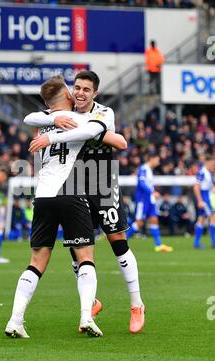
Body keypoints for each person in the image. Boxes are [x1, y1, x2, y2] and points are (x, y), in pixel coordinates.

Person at [25, 70, 145, 334]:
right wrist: (59, 118)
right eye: (77, 88)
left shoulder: (104, 113)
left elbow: (120, 141)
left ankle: (137, 304)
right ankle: (92, 302)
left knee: (118, 242)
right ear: (71, 91)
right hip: (74, 184)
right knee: (77, 249)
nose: (80, 93)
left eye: (85, 90)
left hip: (102, 181)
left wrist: (64, 132)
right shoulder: (64, 114)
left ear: (95, 93)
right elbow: (32, 116)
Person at [5, 75, 116, 339]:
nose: (76, 93)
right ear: (65, 96)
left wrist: (52, 127)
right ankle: (87, 317)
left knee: (36, 262)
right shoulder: (76, 119)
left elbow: (29, 118)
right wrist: (58, 128)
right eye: (72, 89)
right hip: (70, 192)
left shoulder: (43, 124)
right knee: (85, 256)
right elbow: (96, 132)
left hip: (42, 197)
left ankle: (15, 320)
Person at [126, 153, 173, 252]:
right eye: (157, 159)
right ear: (151, 158)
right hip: (143, 200)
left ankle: (158, 245)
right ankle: (123, 241)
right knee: (139, 223)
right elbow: (141, 183)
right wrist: (152, 192)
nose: (158, 162)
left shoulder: (149, 170)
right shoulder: (143, 169)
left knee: (154, 220)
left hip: (150, 200)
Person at [193, 155, 215, 249]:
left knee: (202, 219)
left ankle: (197, 243)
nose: (213, 165)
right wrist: (200, 200)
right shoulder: (202, 172)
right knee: (212, 217)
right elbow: (196, 186)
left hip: (207, 197)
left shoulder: (208, 172)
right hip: (204, 198)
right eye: (213, 163)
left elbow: (210, 186)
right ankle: (213, 241)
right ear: (208, 162)